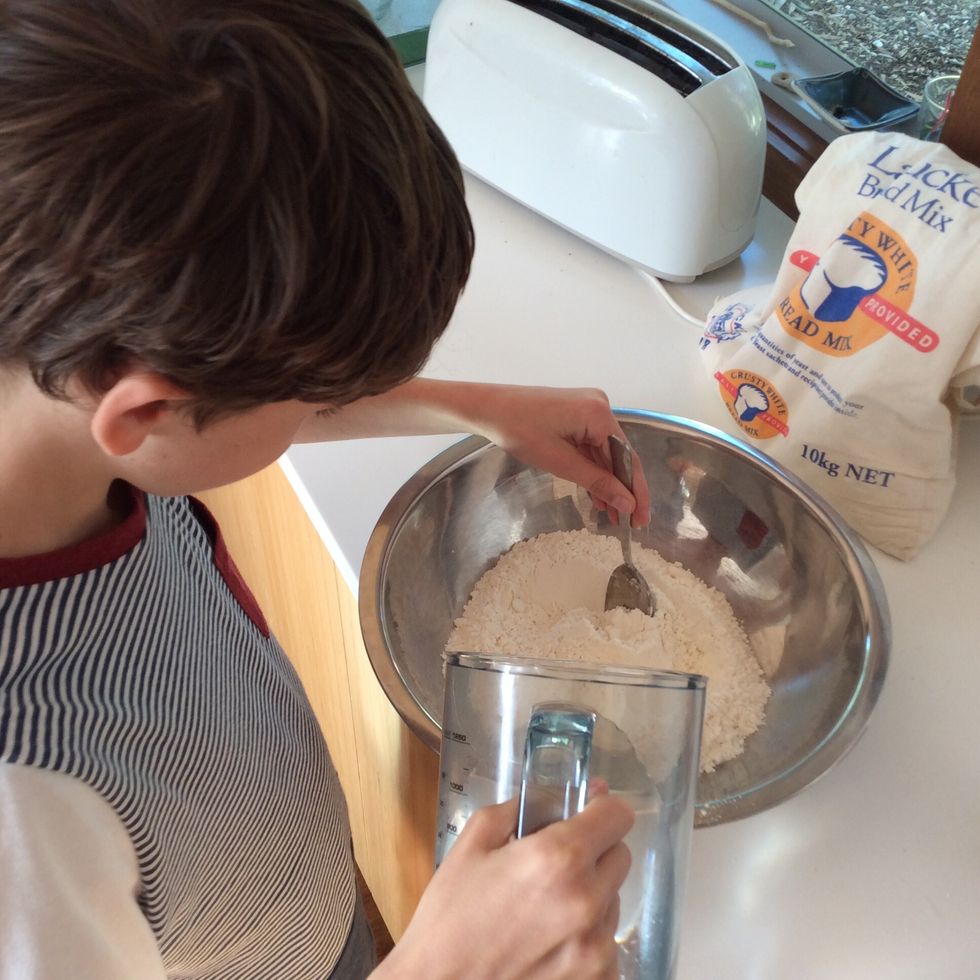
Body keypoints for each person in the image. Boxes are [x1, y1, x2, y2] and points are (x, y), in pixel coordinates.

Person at [0, 2, 650, 977]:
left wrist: (470, 406)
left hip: (265, 887)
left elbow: (212, 409)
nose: (332, 404)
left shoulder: (53, 367)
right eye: (319, 392)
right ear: (144, 411)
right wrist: (448, 959)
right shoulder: (25, 817)